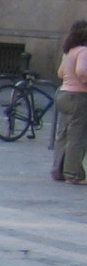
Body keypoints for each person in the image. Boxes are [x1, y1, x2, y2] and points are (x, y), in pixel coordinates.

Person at [52, 20, 87, 184]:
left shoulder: (68, 51)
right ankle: (73, 173)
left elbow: (60, 72)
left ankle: (58, 170)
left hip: (63, 94)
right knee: (77, 136)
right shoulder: (83, 51)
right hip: (78, 96)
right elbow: (82, 71)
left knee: (63, 134)